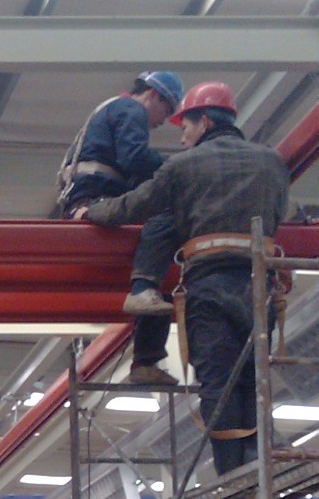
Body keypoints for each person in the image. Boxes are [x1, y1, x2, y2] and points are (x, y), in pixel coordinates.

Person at [83, 81, 290, 475]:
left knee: (218, 380)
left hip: (209, 283)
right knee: (254, 376)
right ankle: (260, 466)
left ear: (205, 121)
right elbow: (281, 212)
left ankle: (233, 475)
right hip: (260, 283)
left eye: (186, 127)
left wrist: (93, 212)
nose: (181, 138)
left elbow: (136, 205)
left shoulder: (184, 165)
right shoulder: (271, 161)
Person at [59, 70, 186, 385]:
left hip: (91, 198)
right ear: (154, 95)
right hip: (97, 201)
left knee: (156, 271)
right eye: (166, 110)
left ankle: (146, 356)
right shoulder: (130, 109)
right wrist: (179, 170)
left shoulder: (112, 110)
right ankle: (146, 354)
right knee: (165, 232)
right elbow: (135, 159)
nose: (162, 121)